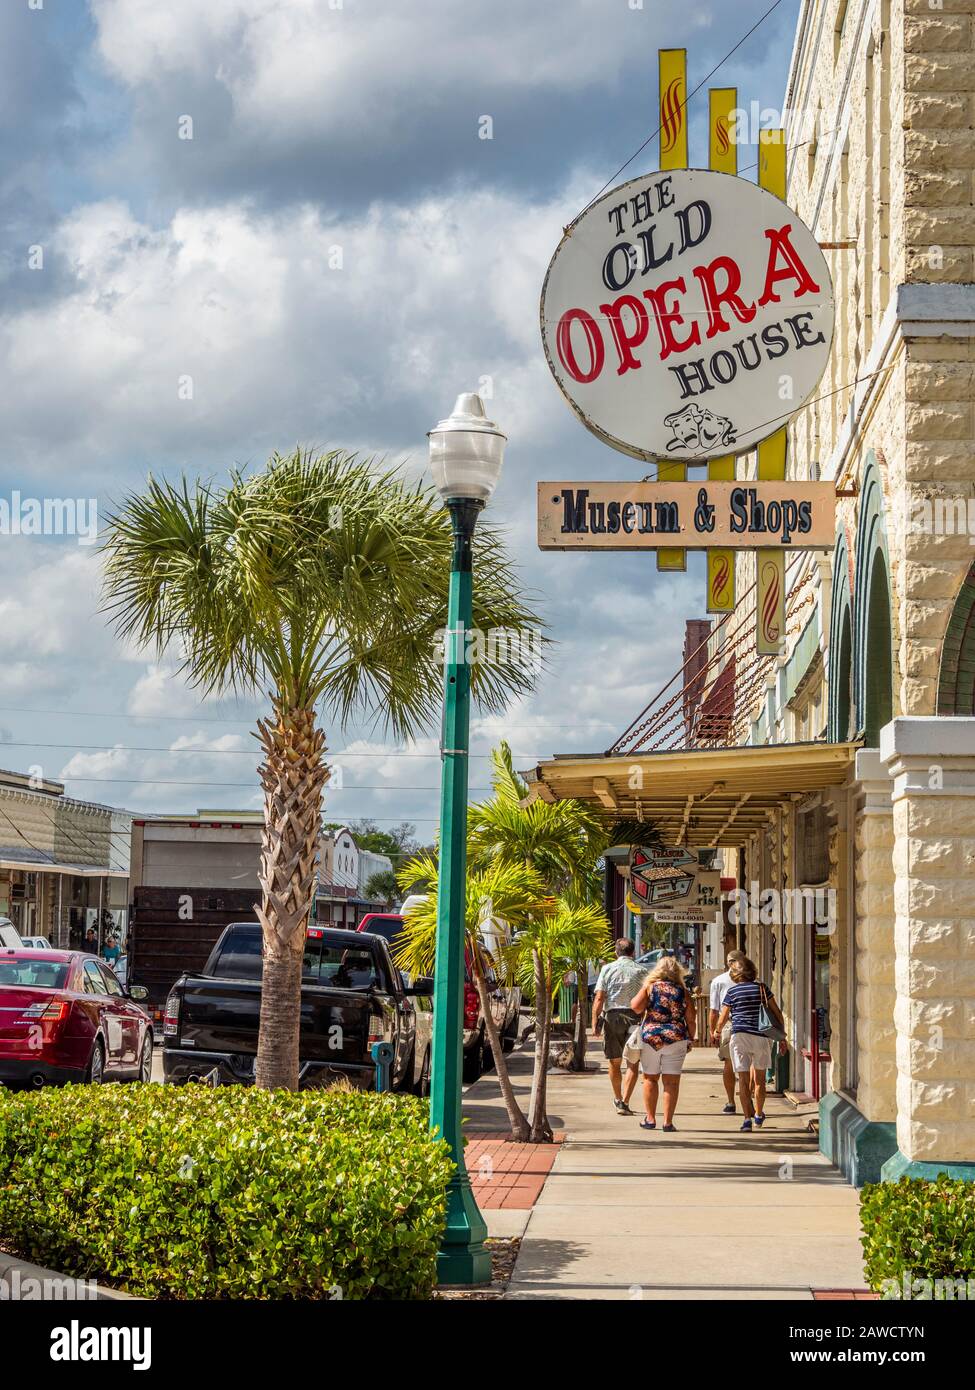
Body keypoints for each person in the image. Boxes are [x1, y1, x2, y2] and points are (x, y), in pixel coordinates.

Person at [712, 956, 786, 1132]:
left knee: (743, 1079)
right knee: (760, 1079)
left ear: (736, 974)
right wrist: (782, 1036)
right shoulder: (762, 989)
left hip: (739, 1036)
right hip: (761, 1036)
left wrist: (716, 1031)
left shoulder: (732, 992)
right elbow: (777, 1013)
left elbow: (722, 1018)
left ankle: (746, 1119)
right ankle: (759, 1114)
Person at [630, 955, 696, 1132]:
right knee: (671, 1082)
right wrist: (691, 1037)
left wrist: (647, 994)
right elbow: (691, 1017)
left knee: (650, 1078)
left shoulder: (651, 987)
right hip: (676, 1037)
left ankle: (650, 1119)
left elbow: (635, 1006)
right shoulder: (682, 990)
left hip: (651, 1037)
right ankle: (667, 1122)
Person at [591, 937, 646, 1115]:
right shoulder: (642, 970)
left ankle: (618, 1097)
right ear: (633, 953)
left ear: (616, 952)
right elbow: (647, 998)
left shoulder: (607, 969)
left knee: (614, 1061)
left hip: (613, 1017)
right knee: (632, 1061)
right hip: (634, 1018)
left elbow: (600, 997)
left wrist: (595, 1022)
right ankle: (625, 1101)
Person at [709, 947, 746, 1113]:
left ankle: (731, 1102)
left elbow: (714, 1010)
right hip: (750, 1024)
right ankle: (749, 1101)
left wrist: (714, 1030)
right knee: (748, 1065)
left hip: (729, 1025)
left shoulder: (718, 981)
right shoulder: (754, 980)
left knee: (729, 1063)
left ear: (729, 963)